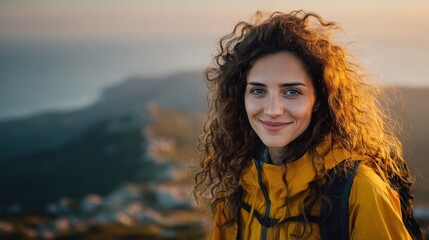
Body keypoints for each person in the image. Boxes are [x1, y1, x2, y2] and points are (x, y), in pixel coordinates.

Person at [193, 10, 424, 240]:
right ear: (240, 97)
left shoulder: (360, 192)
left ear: (319, 99)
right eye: (258, 91)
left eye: (292, 92)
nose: (273, 110)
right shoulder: (238, 183)